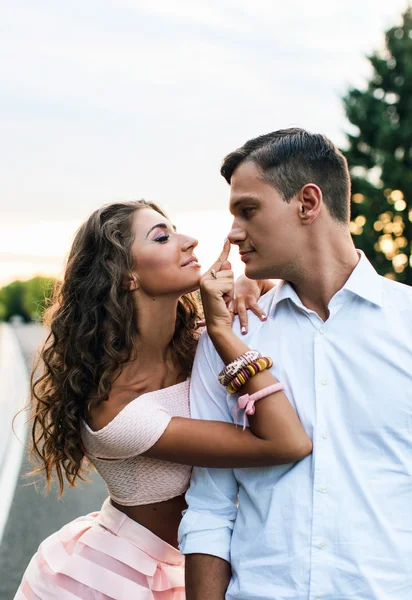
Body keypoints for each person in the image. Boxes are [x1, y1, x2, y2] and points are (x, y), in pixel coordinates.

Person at [14, 199, 312, 599]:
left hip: (209, 560)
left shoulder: (194, 346)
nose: (189, 242)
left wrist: (250, 282)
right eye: (163, 236)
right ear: (126, 276)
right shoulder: (117, 412)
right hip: (120, 576)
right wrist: (224, 336)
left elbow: (275, 310)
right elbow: (286, 442)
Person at [179, 128, 412, 600]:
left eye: (248, 210)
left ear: (308, 203)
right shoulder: (229, 338)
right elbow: (209, 505)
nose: (233, 233)